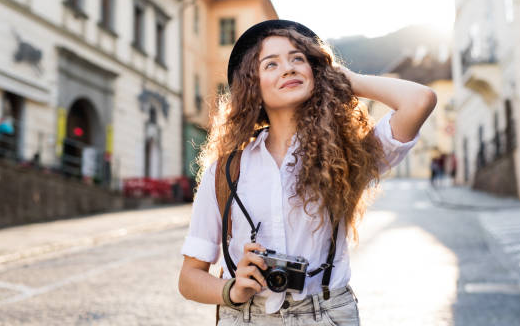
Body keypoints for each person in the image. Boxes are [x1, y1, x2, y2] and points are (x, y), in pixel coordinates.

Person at [178, 20, 436, 325]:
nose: (288, 68)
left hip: (325, 315)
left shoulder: (344, 156)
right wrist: (232, 289)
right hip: (246, 317)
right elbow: (189, 278)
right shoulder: (225, 172)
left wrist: (343, 78)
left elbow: (419, 101)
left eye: (298, 58)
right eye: (271, 64)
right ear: (252, 84)